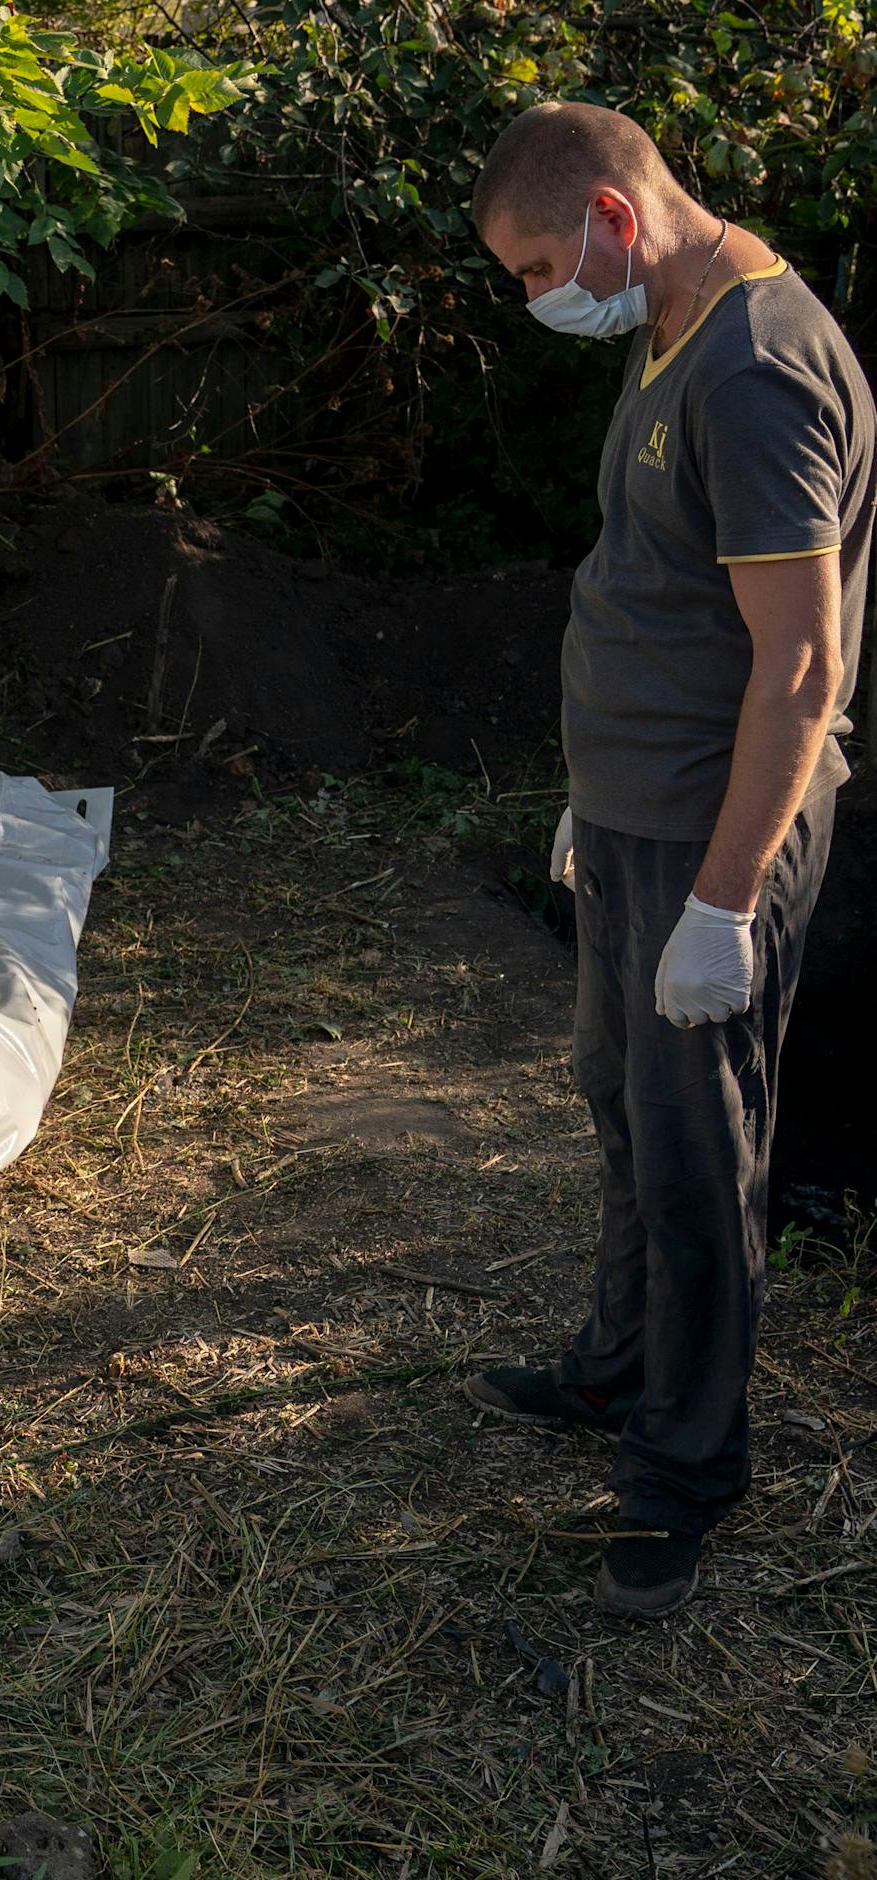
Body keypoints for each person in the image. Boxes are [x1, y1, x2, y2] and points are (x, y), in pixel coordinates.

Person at [463, 101, 872, 1619]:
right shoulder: (671, 332)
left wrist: (722, 903)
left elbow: (803, 666)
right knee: (624, 1103)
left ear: (617, 221)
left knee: (702, 1154)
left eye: (536, 266)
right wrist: (592, 793)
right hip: (636, 819)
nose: (536, 297)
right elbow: (656, 593)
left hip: (715, 838)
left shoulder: (760, 369)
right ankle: (619, 1373)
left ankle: (686, 1471)